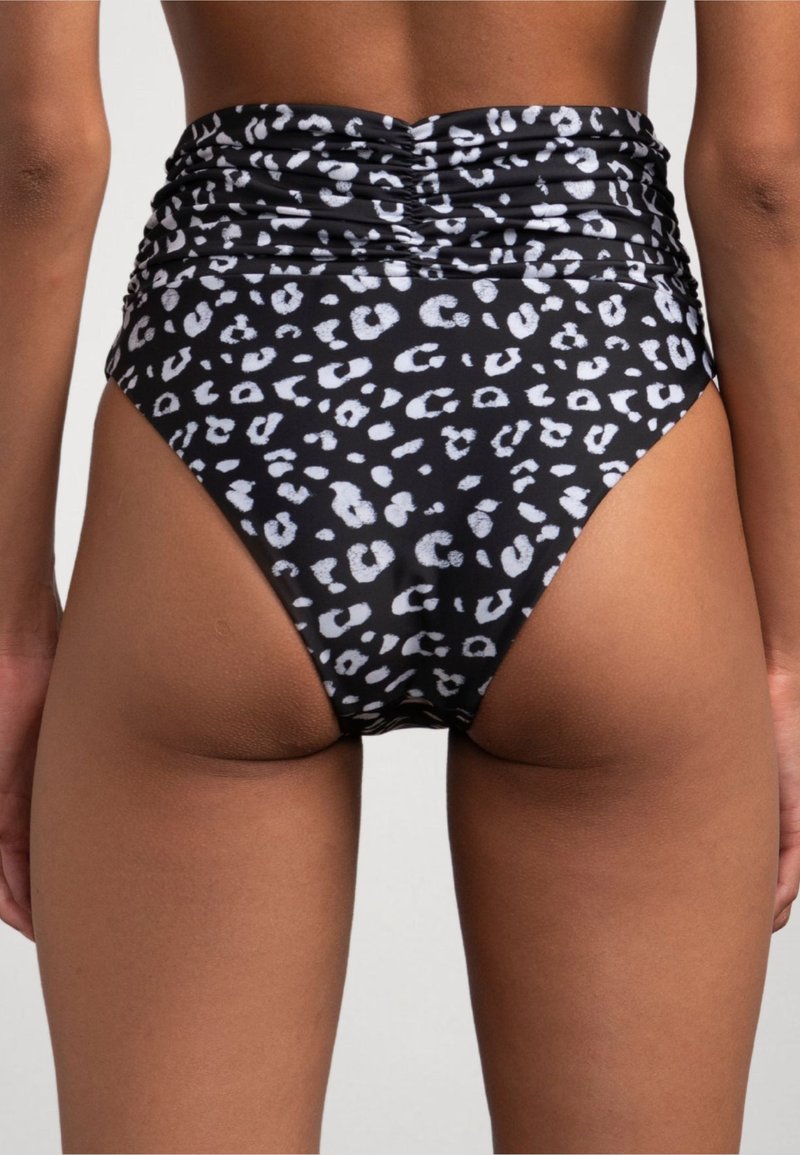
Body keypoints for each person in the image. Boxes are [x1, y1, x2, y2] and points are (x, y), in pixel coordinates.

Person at [1, 0, 797, 1151]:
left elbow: (35, 153)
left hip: (238, 394)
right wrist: (783, 650)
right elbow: (766, 171)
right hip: (593, 395)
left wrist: (12, 632)